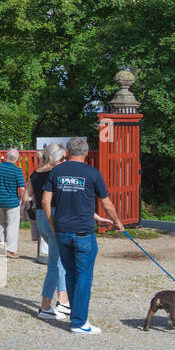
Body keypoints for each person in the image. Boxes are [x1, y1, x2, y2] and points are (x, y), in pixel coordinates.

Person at [42, 136, 125, 334]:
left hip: (62, 230)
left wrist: (53, 223)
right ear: (86, 152)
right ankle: (79, 322)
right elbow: (106, 203)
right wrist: (118, 222)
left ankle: (76, 316)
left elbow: (46, 201)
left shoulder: (56, 171)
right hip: (83, 233)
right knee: (84, 277)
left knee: (71, 274)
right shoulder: (92, 173)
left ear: (67, 153)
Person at [28, 143, 70, 320]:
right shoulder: (55, 173)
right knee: (54, 264)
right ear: (54, 158)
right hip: (51, 215)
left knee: (58, 261)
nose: (65, 162)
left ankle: (63, 301)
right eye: (62, 159)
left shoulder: (35, 173)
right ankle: (46, 306)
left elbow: (28, 196)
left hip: (39, 217)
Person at [0, 147, 26, 257]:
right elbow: (22, 188)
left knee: (2, 224)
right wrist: (21, 200)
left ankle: (1, 248)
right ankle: (10, 250)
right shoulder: (17, 171)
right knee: (12, 225)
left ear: (6, 156)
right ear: (16, 159)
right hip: (12, 202)